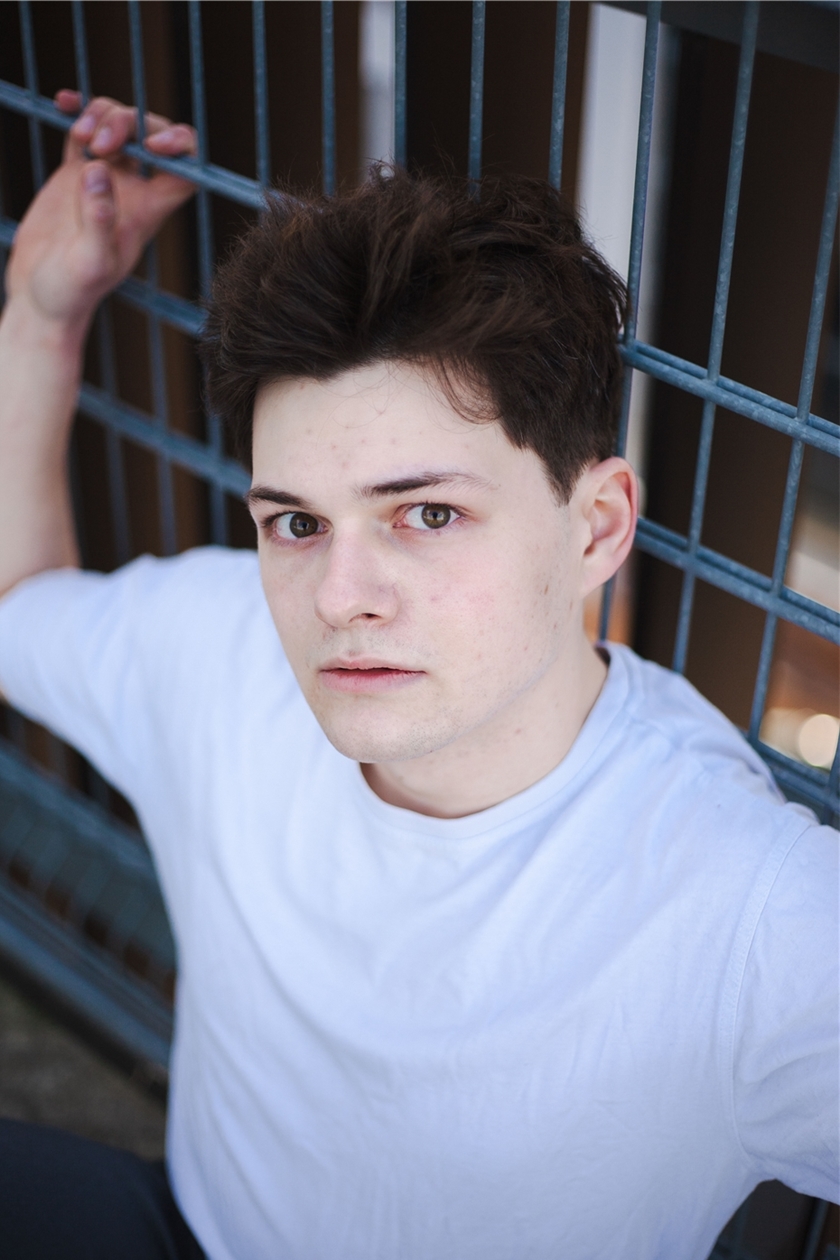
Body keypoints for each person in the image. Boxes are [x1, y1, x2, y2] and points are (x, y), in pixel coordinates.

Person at [0, 93, 836, 1260]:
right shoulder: (218, 646)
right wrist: (43, 315)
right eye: (298, 524)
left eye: (427, 513)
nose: (341, 597)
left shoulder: (755, 915)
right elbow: (21, 611)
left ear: (596, 527)